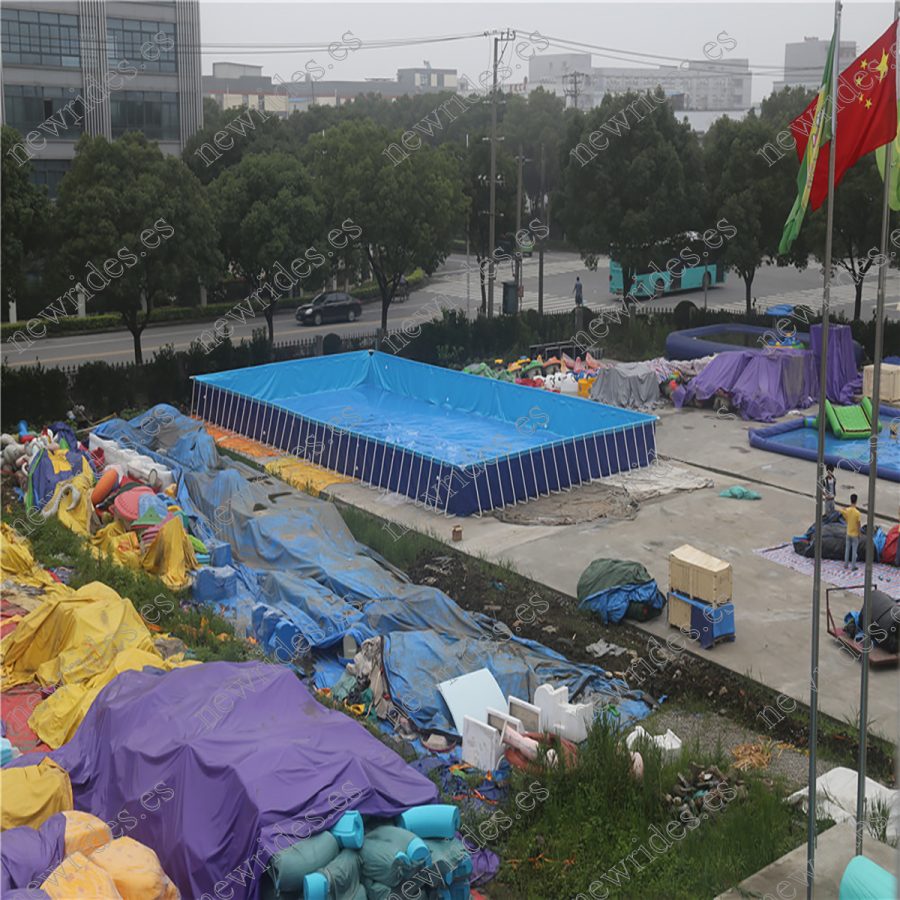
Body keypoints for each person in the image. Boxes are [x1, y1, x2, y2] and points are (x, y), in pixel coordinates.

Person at [841, 493, 861, 571]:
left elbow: (842, 511)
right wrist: (859, 533)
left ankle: (846, 564)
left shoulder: (848, 510)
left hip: (848, 532)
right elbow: (858, 524)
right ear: (856, 501)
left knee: (847, 549)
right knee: (854, 550)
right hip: (855, 534)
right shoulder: (857, 513)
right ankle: (853, 566)